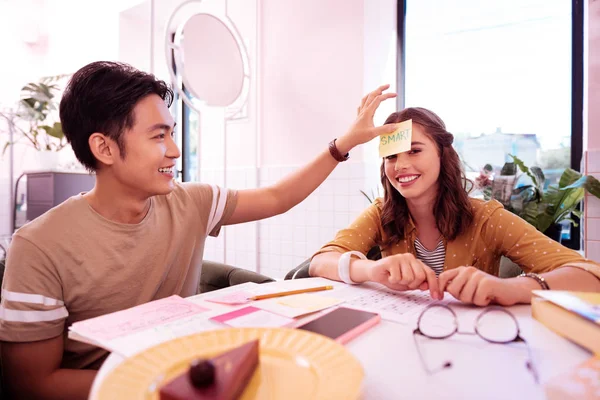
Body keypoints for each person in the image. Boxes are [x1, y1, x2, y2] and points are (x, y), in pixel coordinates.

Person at [0, 61, 399, 400]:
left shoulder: (191, 202)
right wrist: (156, 384)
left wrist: (344, 143)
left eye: (172, 132)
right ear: (104, 149)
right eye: (159, 136)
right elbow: (32, 383)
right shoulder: (39, 246)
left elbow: (278, 197)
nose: (174, 150)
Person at [309, 106, 600, 305]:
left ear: (441, 155)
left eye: (414, 150)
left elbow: (590, 276)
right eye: (391, 156)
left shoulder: (487, 217)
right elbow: (320, 262)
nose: (402, 165)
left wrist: (509, 288)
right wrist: (371, 270)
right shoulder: (380, 212)